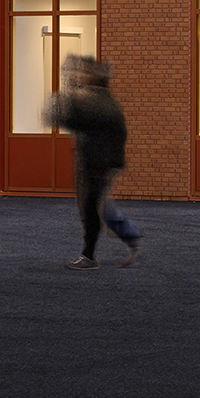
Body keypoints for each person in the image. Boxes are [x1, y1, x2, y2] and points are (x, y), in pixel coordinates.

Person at [47, 55, 142, 269]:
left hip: (97, 162)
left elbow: (72, 120)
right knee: (98, 206)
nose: (82, 75)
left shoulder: (96, 101)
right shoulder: (104, 99)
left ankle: (89, 256)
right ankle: (130, 235)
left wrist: (65, 95)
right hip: (101, 161)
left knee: (91, 208)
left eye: (84, 72)